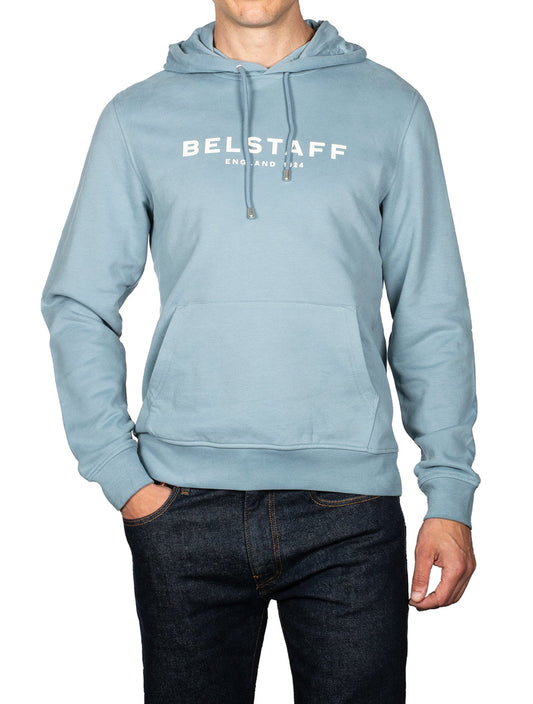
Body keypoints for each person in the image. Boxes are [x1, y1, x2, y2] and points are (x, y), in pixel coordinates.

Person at [40, 1, 480, 702]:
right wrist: (121, 476)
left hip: (349, 508)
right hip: (181, 504)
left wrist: (449, 493)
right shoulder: (138, 116)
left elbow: (431, 308)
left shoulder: (390, 108)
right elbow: (78, 302)